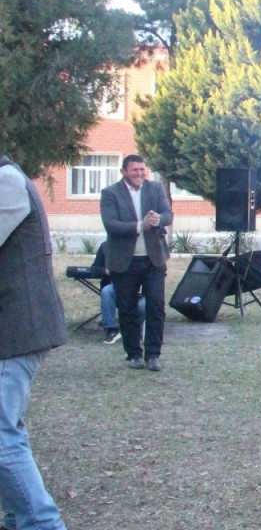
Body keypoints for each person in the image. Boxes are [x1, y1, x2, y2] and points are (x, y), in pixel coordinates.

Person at [0, 156, 70, 530]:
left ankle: (44, 526)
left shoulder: (6, 181)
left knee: (2, 431)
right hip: (11, 327)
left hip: (18, 327)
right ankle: (20, 518)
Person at [99, 154, 172, 371]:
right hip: (124, 261)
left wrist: (159, 219)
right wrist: (141, 225)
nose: (140, 174)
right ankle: (133, 354)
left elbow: (168, 214)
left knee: (156, 307)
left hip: (153, 259)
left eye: (142, 169)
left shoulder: (155, 189)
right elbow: (111, 225)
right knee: (127, 308)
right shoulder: (110, 193)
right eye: (134, 170)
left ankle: (153, 355)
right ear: (124, 172)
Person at [91, 242, 143, 344]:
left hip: (139, 289)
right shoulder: (106, 246)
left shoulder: (140, 248)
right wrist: (106, 271)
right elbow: (94, 269)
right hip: (117, 286)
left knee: (143, 305)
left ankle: (137, 329)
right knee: (107, 291)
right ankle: (111, 329)